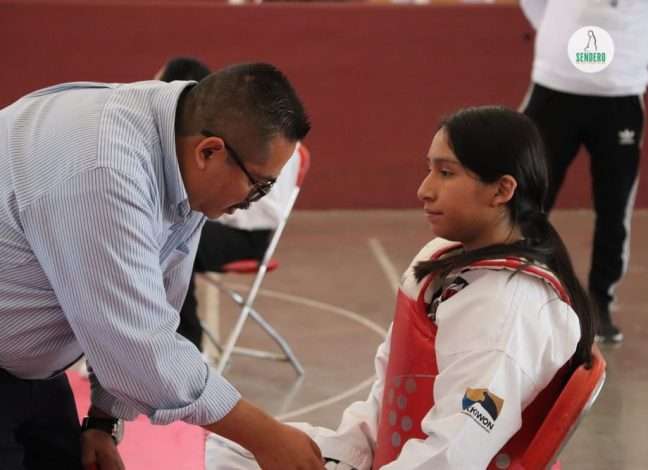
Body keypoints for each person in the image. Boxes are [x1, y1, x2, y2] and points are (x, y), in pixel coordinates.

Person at [205, 106, 595, 469]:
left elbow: (453, 456)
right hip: (395, 458)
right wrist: (339, 455)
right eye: (429, 169)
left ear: (501, 190)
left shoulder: (510, 309)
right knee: (229, 448)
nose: (425, 189)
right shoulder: (439, 259)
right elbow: (390, 396)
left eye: (446, 173)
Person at [0, 63, 326, 470]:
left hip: (33, 372)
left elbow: (152, 301)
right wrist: (264, 435)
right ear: (209, 152)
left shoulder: (178, 146)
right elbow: (137, 343)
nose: (253, 201)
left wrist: (103, 419)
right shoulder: (104, 171)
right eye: (259, 185)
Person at [520, 0, 648, 343]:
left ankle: (599, 300)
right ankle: (517, 286)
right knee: (527, 197)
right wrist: (560, 37)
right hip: (556, 84)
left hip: (620, 91)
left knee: (614, 206)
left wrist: (630, 58)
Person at [154, 56, 302, 351]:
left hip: (247, 236)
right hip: (221, 220)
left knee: (170, 243)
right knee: (164, 235)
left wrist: (211, 206)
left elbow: (270, 212)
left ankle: (185, 345)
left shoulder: (273, 145)